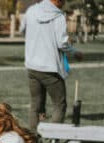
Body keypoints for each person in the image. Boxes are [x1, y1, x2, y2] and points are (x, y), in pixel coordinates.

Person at [20, 0, 83, 133]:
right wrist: (74, 52)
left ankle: (33, 140)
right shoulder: (58, 16)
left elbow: (22, 30)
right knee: (59, 104)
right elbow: (62, 43)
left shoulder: (31, 11)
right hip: (50, 69)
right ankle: (53, 140)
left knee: (35, 105)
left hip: (32, 66)